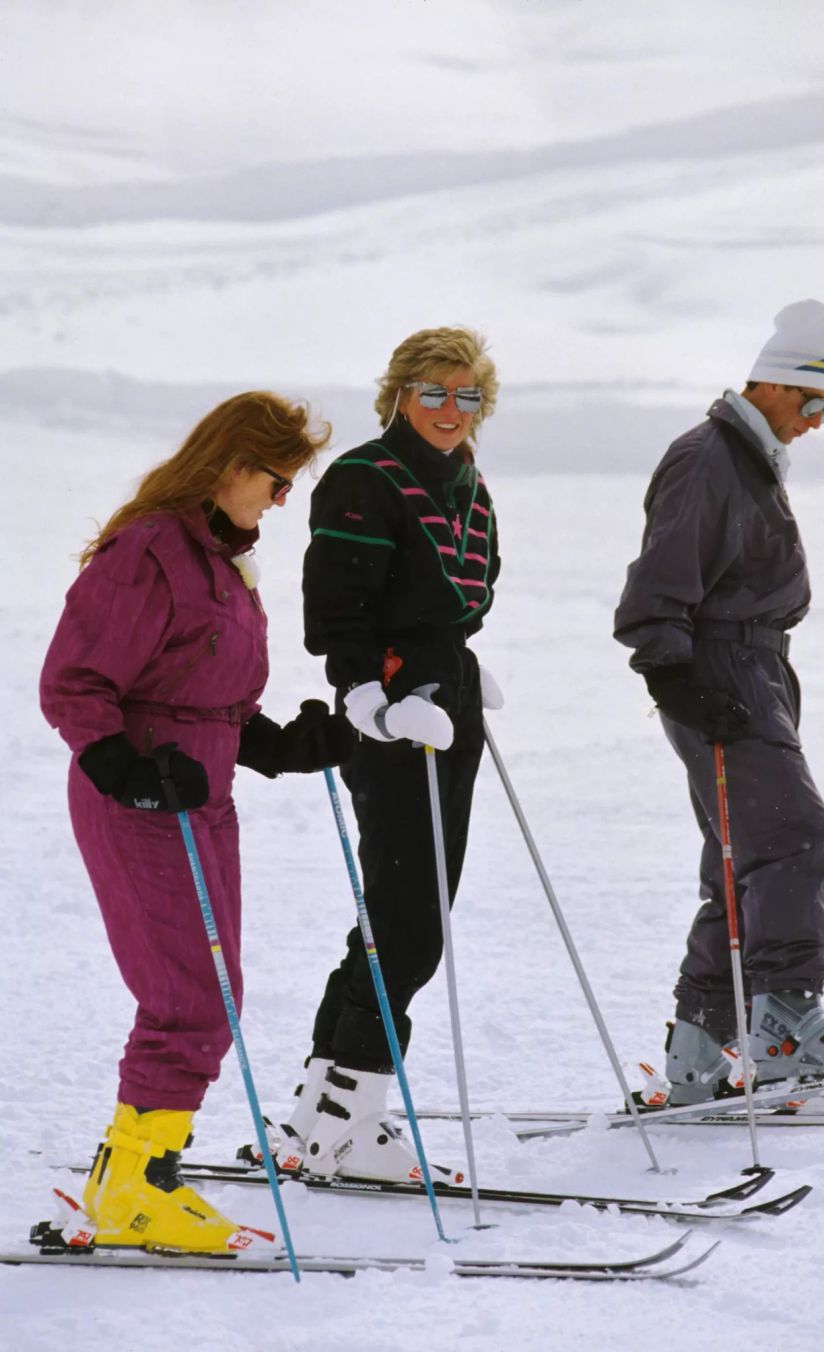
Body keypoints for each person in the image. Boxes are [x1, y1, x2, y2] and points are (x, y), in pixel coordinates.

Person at [39, 392, 354, 1252]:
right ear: (232, 464)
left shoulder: (220, 561)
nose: (282, 501)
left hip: (202, 797)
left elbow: (208, 698)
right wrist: (126, 772)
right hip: (140, 802)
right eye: (278, 481)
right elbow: (74, 681)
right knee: (187, 998)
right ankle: (137, 1189)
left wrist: (284, 745)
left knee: (212, 992)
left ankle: (133, 1169)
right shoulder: (149, 550)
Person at [613, 300, 824, 1107]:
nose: (818, 421)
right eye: (812, 402)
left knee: (740, 862)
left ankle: (703, 1044)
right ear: (772, 385)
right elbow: (660, 578)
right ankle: (784, 1026)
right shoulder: (709, 457)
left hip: (753, 668)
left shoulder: (746, 454)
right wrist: (677, 677)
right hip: (720, 670)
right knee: (797, 838)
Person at [267, 327, 502, 1183]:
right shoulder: (365, 478)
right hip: (395, 715)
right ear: (399, 394)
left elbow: (466, 597)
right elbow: (338, 604)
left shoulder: (467, 482)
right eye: (433, 393)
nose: (449, 410)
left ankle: (321, 1108)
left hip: (448, 701)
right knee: (407, 927)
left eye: (466, 394)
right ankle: (347, 1121)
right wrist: (366, 695)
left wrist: (461, 671)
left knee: (404, 917)